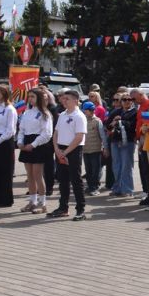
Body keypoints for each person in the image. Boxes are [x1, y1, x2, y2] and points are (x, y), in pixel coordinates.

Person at [49, 89, 88, 221]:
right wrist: (57, 149)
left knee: (76, 180)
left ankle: (80, 210)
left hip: (73, 150)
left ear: (76, 101)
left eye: (67, 99)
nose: (64, 101)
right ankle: (63, 208)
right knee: (62, 180)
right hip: (61, 149)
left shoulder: (79, 116)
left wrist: (65, 152)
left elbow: (79, 137)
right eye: (63, 99)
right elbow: (56, 133)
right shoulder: (63, 115)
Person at [17, 88, 53, 214]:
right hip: (27, 143)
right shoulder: (27, 113)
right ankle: (32, 202)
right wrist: (20, 142)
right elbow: (21, 129)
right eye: (29, 96)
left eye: (33, 96)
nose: (30, 99)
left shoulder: (45, 114)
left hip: (38, 145)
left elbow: (47, 133)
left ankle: (42, 204)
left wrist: (33, 144)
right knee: (30, 175)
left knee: (38, 175)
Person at [106, 93, 137, 197]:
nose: (127, 101)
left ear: (132, 101)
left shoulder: (134, 112)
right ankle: (117, 188)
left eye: (129, 99)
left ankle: (127, 190)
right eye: (124, 99)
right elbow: (107, 125)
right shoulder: (116, 111)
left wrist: (120, 121)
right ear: (121, 101)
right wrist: (113, 122)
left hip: (127, 142)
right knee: (116, 166)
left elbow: (132, 126)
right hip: (115, 141)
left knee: (126, 167)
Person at [131, 88, 149, 206]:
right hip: (141, 138)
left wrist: (141, 139)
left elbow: (147, 124)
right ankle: (147, 192)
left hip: (146, 139)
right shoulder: (140, 105)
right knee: (143, 167)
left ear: (140, 95)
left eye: (134, 98)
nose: (133, 101)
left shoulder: (147, 105)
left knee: (148, 169)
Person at [81, 101, 108, 196]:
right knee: (88, 170)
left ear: (91, 111)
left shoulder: (97, 121)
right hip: (85, 149)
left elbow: (102, 136)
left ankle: (95, 187)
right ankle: (90, 186)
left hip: (96, 150)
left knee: (95, 169)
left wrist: (105, 147)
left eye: (86, 110)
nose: (85, 112)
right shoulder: (82, 121)